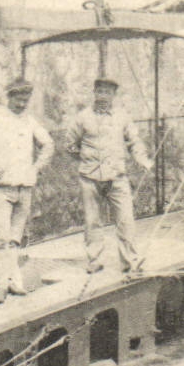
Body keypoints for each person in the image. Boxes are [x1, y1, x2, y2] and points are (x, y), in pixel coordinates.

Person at [64, 77, 152, 275]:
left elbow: (134, 141)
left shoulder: (123, 117)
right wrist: (86, 160)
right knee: (92, 221)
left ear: (114, 95)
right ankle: (94, 260)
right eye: (99, 92)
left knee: (125, 220)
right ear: (94, 93)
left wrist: (142, 159)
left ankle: (131, 261)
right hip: (90, 178)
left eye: (107, 93)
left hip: (117, 177)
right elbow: (70, 144)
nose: (103, 96)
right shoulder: (82, 117)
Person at [0, 76, 53, 303]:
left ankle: (14, 281)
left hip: (24, 188)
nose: (21, 104)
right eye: (18, 99)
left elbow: (48, 144)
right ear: (8, 97)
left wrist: (36, 167)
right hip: (1, 189)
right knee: (0, 238)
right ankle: (0, 285)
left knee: (14, 238)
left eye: (25, 100)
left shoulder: (29, 122)